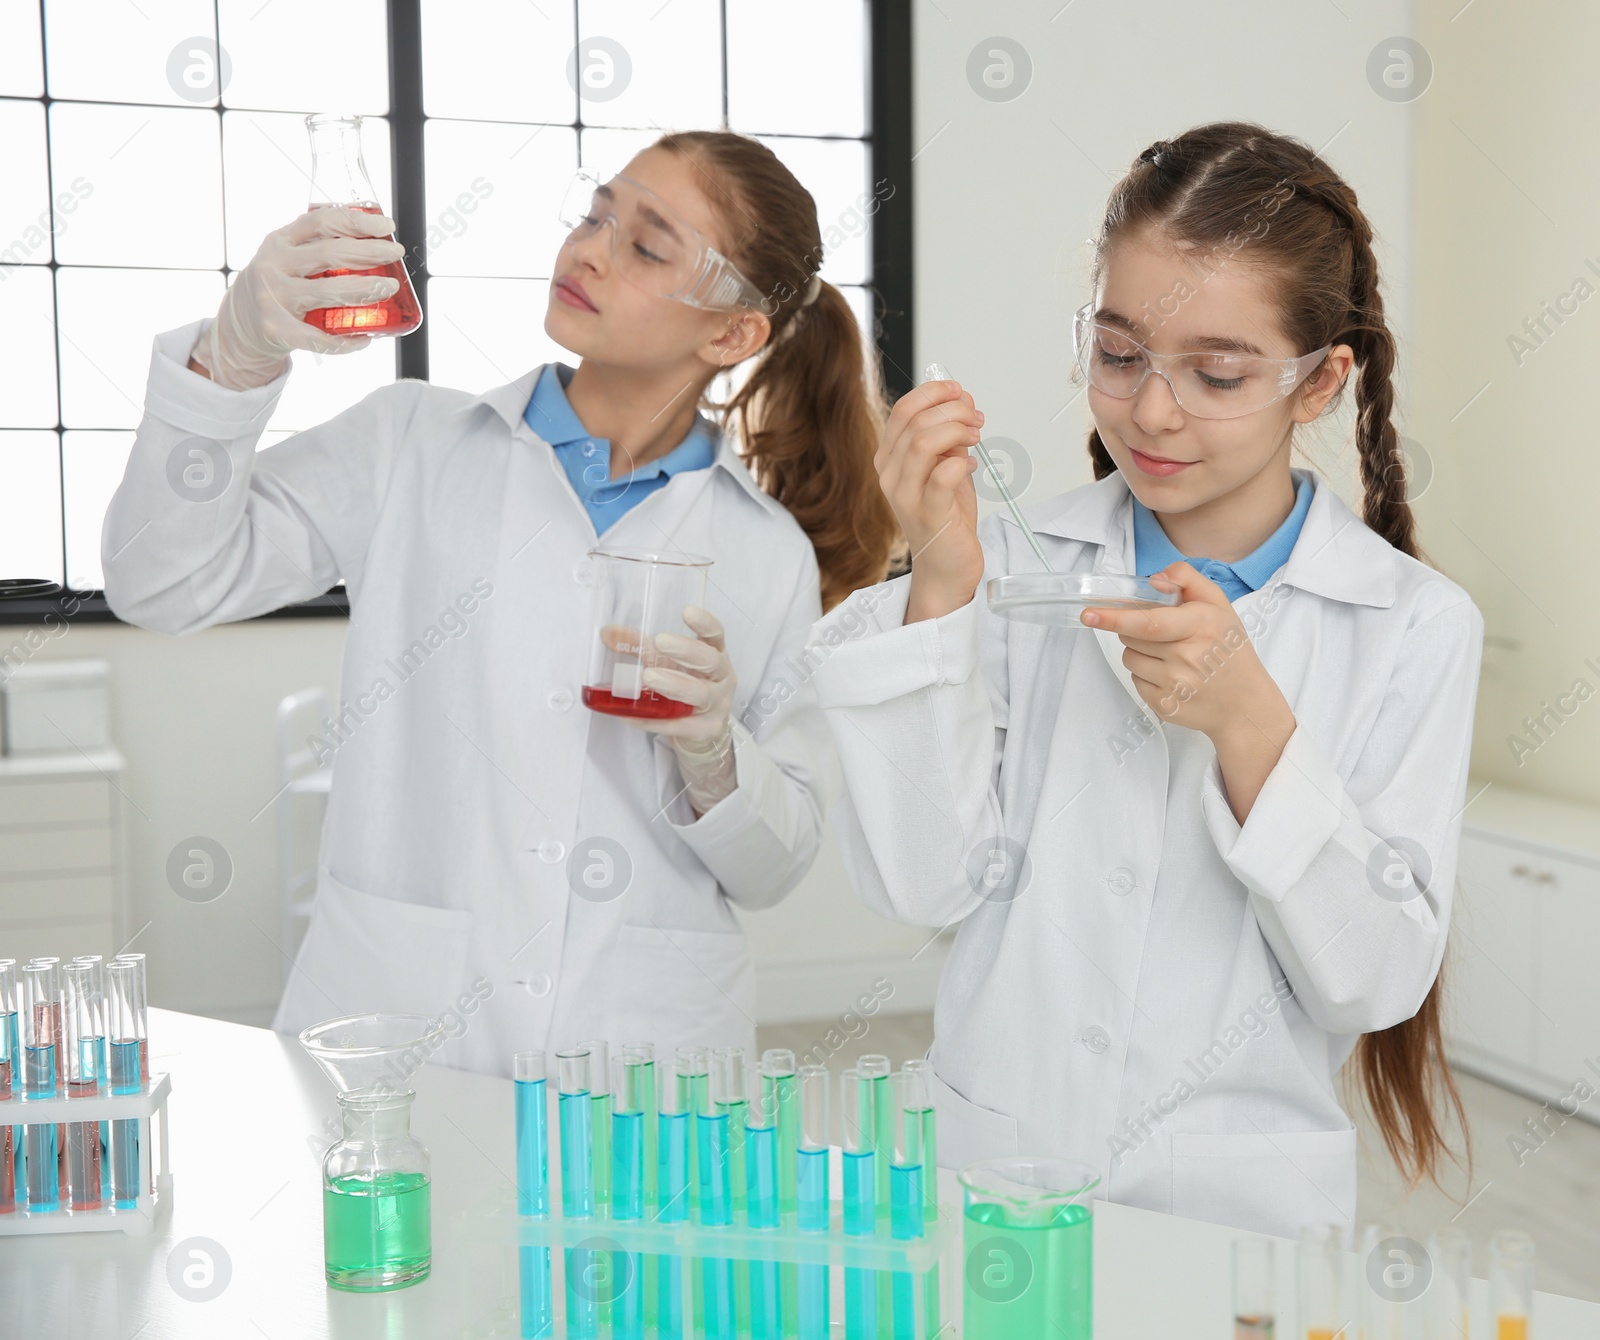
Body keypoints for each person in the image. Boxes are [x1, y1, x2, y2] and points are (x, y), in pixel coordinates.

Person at [806, 122, 1483, 1239]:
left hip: (1237, 1209)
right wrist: (939, 577)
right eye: (1119, 355)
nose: (1153, 411)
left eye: (1216, 372)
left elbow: (1372, 982)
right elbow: (923, 885)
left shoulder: (1411, 625)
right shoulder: (1017, 567)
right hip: (1000, 1169)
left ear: (1319, 382)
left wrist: (1248, 723)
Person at [101, 130, 899, 1072]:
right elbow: (160, 577)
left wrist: (713, 754)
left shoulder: (766, 555)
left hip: (639, 1054)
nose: (590, 249)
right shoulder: (413, 446)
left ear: (730, 334)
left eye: (645, 245)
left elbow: (773, 868)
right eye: (596, 213)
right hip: (401, 1023)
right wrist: (232, 358)